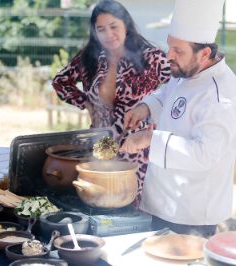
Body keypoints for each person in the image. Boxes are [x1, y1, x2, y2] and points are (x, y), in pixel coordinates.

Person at [120, 0, 236, 237]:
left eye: (178, 51)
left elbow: (203, 155)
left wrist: (150, 138)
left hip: (191, 217)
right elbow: (169, 94)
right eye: (170, 46)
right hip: (161, 203)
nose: (169, 55)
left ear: (205, 53)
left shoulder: (222, 98)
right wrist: (146, 108)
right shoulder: (187, 69)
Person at [52, 0, 170, 197]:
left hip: (138, 151)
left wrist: (152, 113)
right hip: (97, 148)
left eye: (113, 26)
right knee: (96, 201)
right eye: (101, 29)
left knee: (134, 207)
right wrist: (86, 103)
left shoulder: (151, 57)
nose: (108, 34)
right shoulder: (89, 57)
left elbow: (177, 87)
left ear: (126, 25)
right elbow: (60, 81)